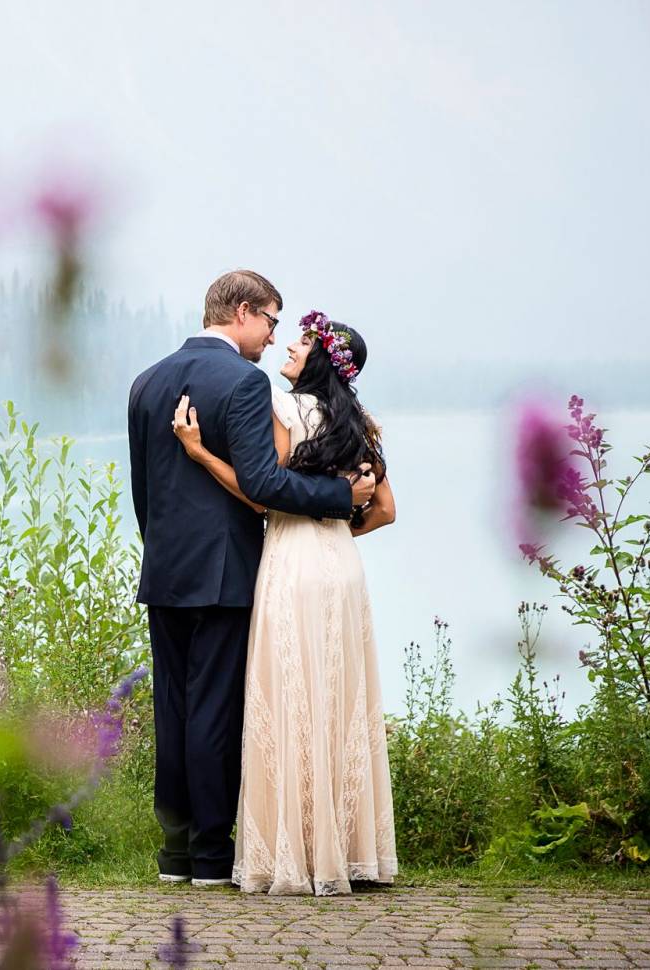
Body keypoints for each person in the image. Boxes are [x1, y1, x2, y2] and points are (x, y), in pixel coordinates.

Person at [126, 270, 374, 886]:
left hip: (164, 571)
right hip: (225, 573)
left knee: (173, 709)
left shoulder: (145, 382)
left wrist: (162, 550)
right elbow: (263, 483)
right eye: (268, 320)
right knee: (213, 710)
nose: (270, 337)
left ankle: (174, 855)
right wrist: (340, 496)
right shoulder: (242, 381)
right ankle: (211, 856)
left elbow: (143, 493)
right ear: (241, 312)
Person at [172, 307, 398, 895]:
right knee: (339, 695)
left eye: (301, 343)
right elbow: (384, 511)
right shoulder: (364, 424)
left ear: (320, 359)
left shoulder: (284, 407)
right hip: (342, 567)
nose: (289, 348)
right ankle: (350, 851)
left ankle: (295, 851)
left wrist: (199, 454)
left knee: (289, 694)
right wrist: (337, 528)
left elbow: (260, 493)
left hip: (292, 562)